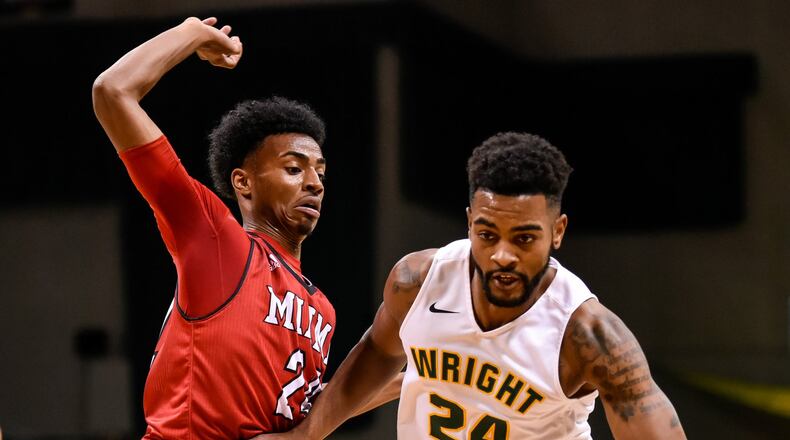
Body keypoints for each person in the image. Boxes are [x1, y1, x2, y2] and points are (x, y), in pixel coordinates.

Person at [257, 132, 687, 439]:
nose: (502, 255)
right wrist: (303, 436)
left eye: (524, 239)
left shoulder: (588, 336)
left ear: (557, 232)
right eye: (487, 235)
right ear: (468, 222)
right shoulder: (418, 281)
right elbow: (379, 354)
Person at [93, 17, 362, 438]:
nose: (314, 183)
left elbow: (313, 408)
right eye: (294, 169)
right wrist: (194, 33)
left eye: (321, 173)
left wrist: (411, 377)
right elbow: (112, 92)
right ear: (243, 182)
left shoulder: (322, 308)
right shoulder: (218, 241)